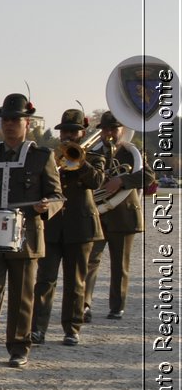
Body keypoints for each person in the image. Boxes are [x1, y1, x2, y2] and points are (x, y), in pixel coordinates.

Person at [0, 93, 62, 370]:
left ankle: (19, 347)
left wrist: (47, 207)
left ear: (27, 123)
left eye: (15, 120)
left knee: (22, 297)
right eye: (5, 120)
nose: (9, 125)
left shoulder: (42, 156)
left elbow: (57, 195)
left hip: (27, 237)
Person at [30, 109, 106, 346]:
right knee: (45, 280)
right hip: (53, 225)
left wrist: (79, 160)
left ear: (82, 133)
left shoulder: (93, 157)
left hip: (81, 226)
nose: (68, 136)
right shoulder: (50, 156)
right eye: (65, 132)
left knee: (76, 281)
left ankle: (72, 328)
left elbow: (96, 181)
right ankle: (38, 329)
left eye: (73, 132)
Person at [86, 111, 152, 320]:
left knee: (119, 264)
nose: (109, 133)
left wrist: (122, 181)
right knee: (90, 261)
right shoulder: (93, 152)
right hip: (97, 214)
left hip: (124, 216)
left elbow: (149, 176)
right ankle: (84, 304)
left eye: (113, 129)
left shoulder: (132, 152)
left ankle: (117, 307)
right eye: (105, 129)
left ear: (122, 130)